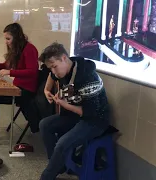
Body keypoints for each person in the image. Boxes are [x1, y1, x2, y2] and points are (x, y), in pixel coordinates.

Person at [38, 42, 110, 180]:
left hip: (95, 120)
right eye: (50, 68)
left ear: (64, 58)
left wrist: (65, 105)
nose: (54, 71)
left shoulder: (87, 76)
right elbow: (52, 77)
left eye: (54, 67)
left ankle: (46, 176)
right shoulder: (66, 68)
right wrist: (46, 90)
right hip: (76, 116)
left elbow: (90, 113)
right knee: (44, 124)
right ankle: (58, 165)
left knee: (62, 144)